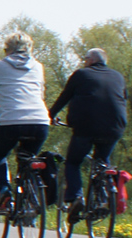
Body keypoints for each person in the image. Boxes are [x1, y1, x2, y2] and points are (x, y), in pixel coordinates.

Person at [0, 31, 51, 213]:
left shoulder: (1, 66)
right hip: (40, 120)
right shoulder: (38, 66)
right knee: (27, 158)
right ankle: (29, 204)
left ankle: (4, 190)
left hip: (12, 121)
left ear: (8, 50)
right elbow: (40, 94)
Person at [48, 48, 127, 223]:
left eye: (85, 59)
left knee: (73, 162)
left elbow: (64, 97)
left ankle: (76, 198)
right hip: (115, 127)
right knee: (102, 161)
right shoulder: (118, 76)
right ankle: (102, 198)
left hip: (85, 127)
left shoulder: (81, 74)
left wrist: (50, 115)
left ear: (90, 60)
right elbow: (122, 100)